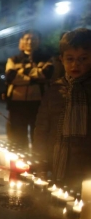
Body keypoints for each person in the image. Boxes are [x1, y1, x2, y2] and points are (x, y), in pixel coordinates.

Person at [34, 28, 91, 186]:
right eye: (70, 59)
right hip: (58, 163)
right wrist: (41, 164)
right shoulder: (55, 89)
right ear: (62, 59)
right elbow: (41, 128)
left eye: (83, 59)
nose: (75, 64)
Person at [5, 30, 53, 148]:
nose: (30, 41)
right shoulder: (13, 59)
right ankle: (19, 163)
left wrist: (22, 72)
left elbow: (47, 74)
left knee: (39, 136)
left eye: (33, 38)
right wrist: (35, 77)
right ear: (21, 41)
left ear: (39, 41)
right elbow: (11, 76)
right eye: (27, 38)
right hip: (17, 104)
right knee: (17, 137)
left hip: (39, 103)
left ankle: (38, 163)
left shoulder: (46, 58)